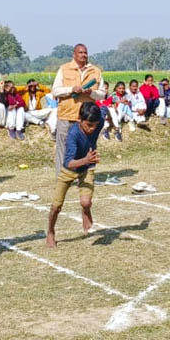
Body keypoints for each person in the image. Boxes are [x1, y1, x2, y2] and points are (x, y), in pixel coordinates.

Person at [46, 101, 103, 248]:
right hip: (70, 169)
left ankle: (85, 211)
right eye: (88, 125)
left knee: (86, 201)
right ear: (79, 120)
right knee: (56, 206)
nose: (92, 129)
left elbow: (103, 110)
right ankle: (51, 231)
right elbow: (68, 163)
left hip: (87, 168)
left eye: (94, 125)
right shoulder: (73, 134)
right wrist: (85, 159)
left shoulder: (99, 121)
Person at [50, 44, 106, 172]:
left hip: (86, 119)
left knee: (86, 147)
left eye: (85, 52)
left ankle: (85, 176)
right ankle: (61, 178)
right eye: (80, 52)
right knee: (63, 148)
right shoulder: (64, 69)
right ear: (74, 54)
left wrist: (91, 93)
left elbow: (102, 94)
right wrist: (71, 89)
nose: (83, 55)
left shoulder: (95, 71)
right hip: (67, 115)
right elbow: (55, 91)